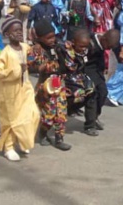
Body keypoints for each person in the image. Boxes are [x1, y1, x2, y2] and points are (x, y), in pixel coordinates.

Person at [0, 16, 39, 161]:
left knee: (33, 114)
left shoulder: (25, 47)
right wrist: (16, 70)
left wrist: (37, 51)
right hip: (10, 93)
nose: (20, 33)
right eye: (16, 31)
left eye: (21, 30)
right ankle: (9, 147)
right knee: (12, 120)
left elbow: (33, 59)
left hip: (25, 88)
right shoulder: (5, 53)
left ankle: (22, 140)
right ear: (7, 34)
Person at [28, 19, 72, 151]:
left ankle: (59, 138)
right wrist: (48, 65)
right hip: (45, 87)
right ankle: (42, 133)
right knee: (48, 115)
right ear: (40, 38)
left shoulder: (58, 46)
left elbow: (69, 63)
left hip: (59, 85)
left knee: (61, 113)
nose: (52, 40)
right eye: (49, 38)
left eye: (53, 36)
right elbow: (32, 67)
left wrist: (67, 50)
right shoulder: (35, 50)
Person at [71, 28, 119, 136]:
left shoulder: (102, 43)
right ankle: (89, 125)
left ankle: (95, 116)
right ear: (104, 39)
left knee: (103, 93)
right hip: (85, 71)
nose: (108, 49)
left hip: (97, 72)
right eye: (108, 46)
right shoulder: (89, 42)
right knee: (92, 95)